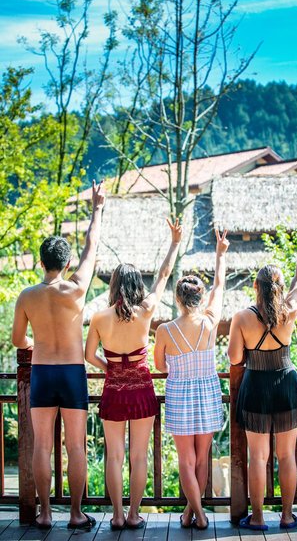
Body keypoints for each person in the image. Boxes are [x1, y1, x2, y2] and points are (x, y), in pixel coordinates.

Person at [12, 180, 106, 531]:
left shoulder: (27, 296)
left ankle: (46, 513)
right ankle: (77, 513)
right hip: (71, 372)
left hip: (41, 372)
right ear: (66, 263)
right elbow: (91, 245)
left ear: (41, 262)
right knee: (76, 446)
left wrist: (35, 344)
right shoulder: (77, 289)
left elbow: (18, 340)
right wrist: (97, 209)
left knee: (42, 446)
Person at [85, 218, 182, 531]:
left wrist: (110, 368)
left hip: (113, 390)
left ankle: (115, 515)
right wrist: (174, 242)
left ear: (113, 285)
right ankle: (133, 515)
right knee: (139, 456)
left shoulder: (99, 317)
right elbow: (164, 275)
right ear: (137, 284)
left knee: (114, 456)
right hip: (142, 390)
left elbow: (89, 356)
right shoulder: (146, 310)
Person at [228, 214, 297, 532]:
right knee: (286, 455)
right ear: (280, 288)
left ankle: (256, 518)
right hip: (286, 384)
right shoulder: (290, 310)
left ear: (255, 286)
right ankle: (287, 516)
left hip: (255, 384)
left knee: (258, 457)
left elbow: (234, 357)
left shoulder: (242, 317)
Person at [154, 229, 229, 530]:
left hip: (179, 394)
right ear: (201, 296)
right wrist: (220, 253)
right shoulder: (210, 322)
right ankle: (195, 513)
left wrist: (177, 368)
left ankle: (195, 514)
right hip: (208, 391)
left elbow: (159, 366)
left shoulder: (165, 330)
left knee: (185, 460)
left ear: (177, 298)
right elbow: (220, 285)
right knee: (201, 459)